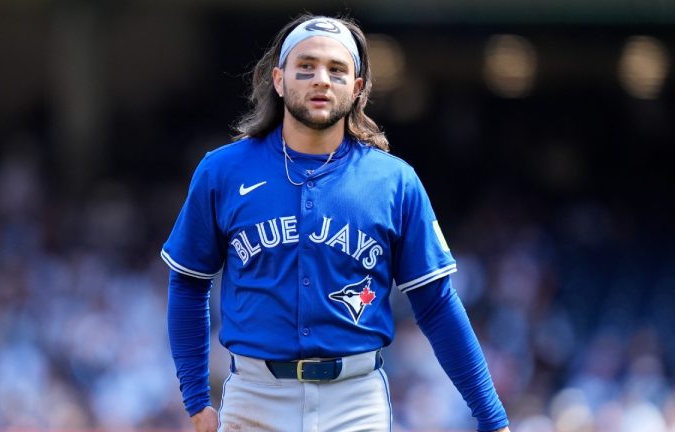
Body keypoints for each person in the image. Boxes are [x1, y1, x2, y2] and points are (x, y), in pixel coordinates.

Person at [162, 13, 511, 432]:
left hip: (355, 399)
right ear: (278, 79)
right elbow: (188, 282)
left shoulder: (393, 181)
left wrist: (492, 418)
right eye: (305, 66)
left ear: (358, 87)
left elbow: (436, 304)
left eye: (337, 69)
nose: (321, 80)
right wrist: (197, 399)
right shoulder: (223, 171)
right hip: (254, 398)